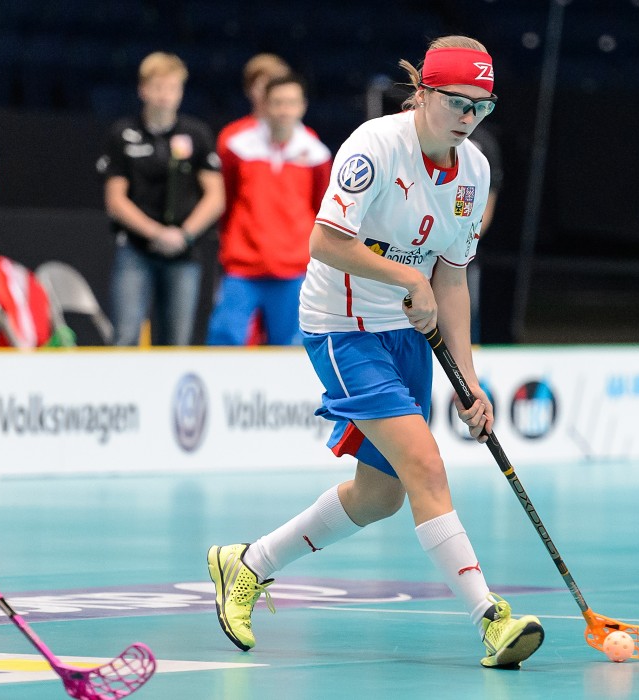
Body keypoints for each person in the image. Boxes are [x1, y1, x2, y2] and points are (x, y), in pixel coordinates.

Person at [207, 36, 545, 669]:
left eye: (482, 106)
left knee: (380, 495)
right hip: (344, 325)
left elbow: (452, 279)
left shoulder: (474, 170)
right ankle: (490, 618)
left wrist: (469, 380)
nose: (469, 117)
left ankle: (248, 563)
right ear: (423, 93)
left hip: (407, 331)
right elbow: (325, 242)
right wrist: (407, 278)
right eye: (457, 101)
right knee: (425, 467)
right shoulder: (374, 146)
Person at [97, 52, 224, 346]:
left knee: (176, 343)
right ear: (142, 89)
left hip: (183, 252)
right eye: (157, 87)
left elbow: (215, 197)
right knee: (126, 337)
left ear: (181, 92)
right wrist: (157, 234)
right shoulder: (123, 134)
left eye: (172, 87)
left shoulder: (196, 134)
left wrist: (184, 234)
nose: (165, 95)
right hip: (135, 249)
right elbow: (115, 200)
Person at [207, 74, 332, 345]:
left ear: (303, 106)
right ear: (264, 105)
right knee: (224, 340)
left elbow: (321, 208)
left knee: (292, 348)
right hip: (242, 266)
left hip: (294, 268)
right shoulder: (237, 147)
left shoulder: (316, 154)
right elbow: (225, 199)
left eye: (291, 103)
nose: (284, 110)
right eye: (277, 102)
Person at [465, 123, 502, 344]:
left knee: (466, 315)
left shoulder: (483, 144)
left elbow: (488, 204)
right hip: (421, 252)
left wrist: (465, 241)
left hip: (463, 252)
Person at [217, 54, 292, 155]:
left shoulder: (305, 138)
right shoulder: (232, 136)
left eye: (276, 88)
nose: (270, 95)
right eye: (263, 88)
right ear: (249, 89)